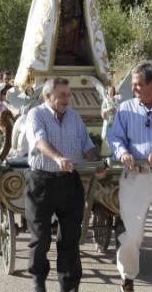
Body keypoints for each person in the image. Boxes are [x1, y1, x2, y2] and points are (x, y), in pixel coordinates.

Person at [25, 77, 97, 292]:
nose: (67, 99)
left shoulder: (74, 117)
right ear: (48, 96)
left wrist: (96, 160)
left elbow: (87, 145)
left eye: (68, 94)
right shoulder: (36, 114)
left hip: (69, 182)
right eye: (62, 95)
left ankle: (69, 286)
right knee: (41, 237)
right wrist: (58, 158)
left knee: (70, 238)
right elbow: (39, 141)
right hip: (41, 181)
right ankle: (39, 281)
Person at [108, 61, 152, 292]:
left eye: (138, 84)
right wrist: (123, 153)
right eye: (133, 83)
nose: (134, 87)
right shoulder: (126, 108)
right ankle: (128, 275)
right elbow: (115, 138)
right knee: (132, 234)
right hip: (135, 177)